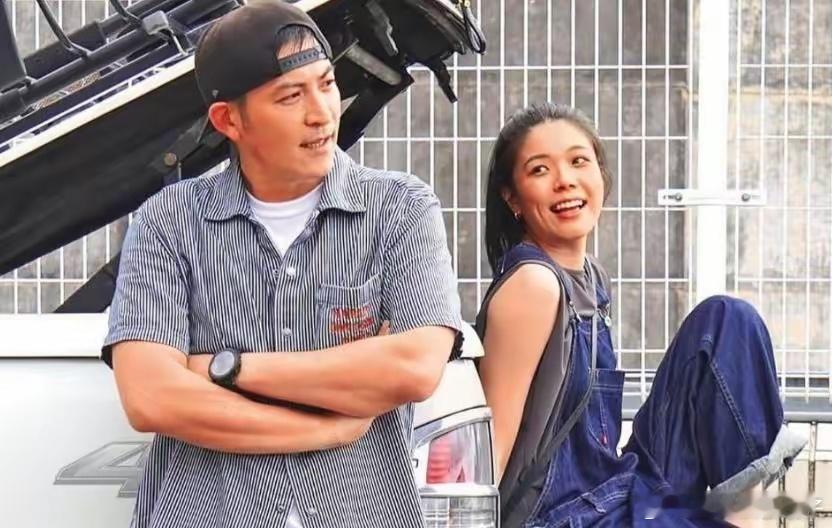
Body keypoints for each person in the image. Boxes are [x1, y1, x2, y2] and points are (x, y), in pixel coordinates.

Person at [103, 2, 463, 527]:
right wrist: (327, 428)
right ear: (229, 120)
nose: (321, 113)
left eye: (326, 84)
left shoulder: (401, 209)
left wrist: (226, 367)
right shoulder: (169, 222)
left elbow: (414, 367)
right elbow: (151, 398)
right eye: (291, 96)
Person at [475, 102, 806, 527]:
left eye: (579, 161)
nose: (565, 180)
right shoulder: (533, 284)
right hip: (564, 518)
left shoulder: (592, 278)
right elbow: (490, 445)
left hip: (613, 492)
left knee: (726, 322)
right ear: (512, 198)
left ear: (601, 175)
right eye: (540, 170)